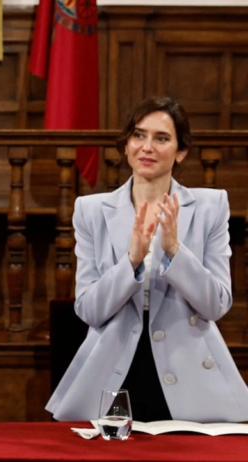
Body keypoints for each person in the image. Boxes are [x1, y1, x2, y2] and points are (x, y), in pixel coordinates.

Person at [46, 96, 248, 422]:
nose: (147, 147)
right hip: (114, 370)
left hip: (191, 370)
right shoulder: (91, 211)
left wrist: (174, 252)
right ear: (126, 146)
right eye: (138, 136)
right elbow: (89, 310)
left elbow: (216, 305)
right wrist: (131, 261)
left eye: (162, 138)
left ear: (181, 151)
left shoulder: (212, 207)